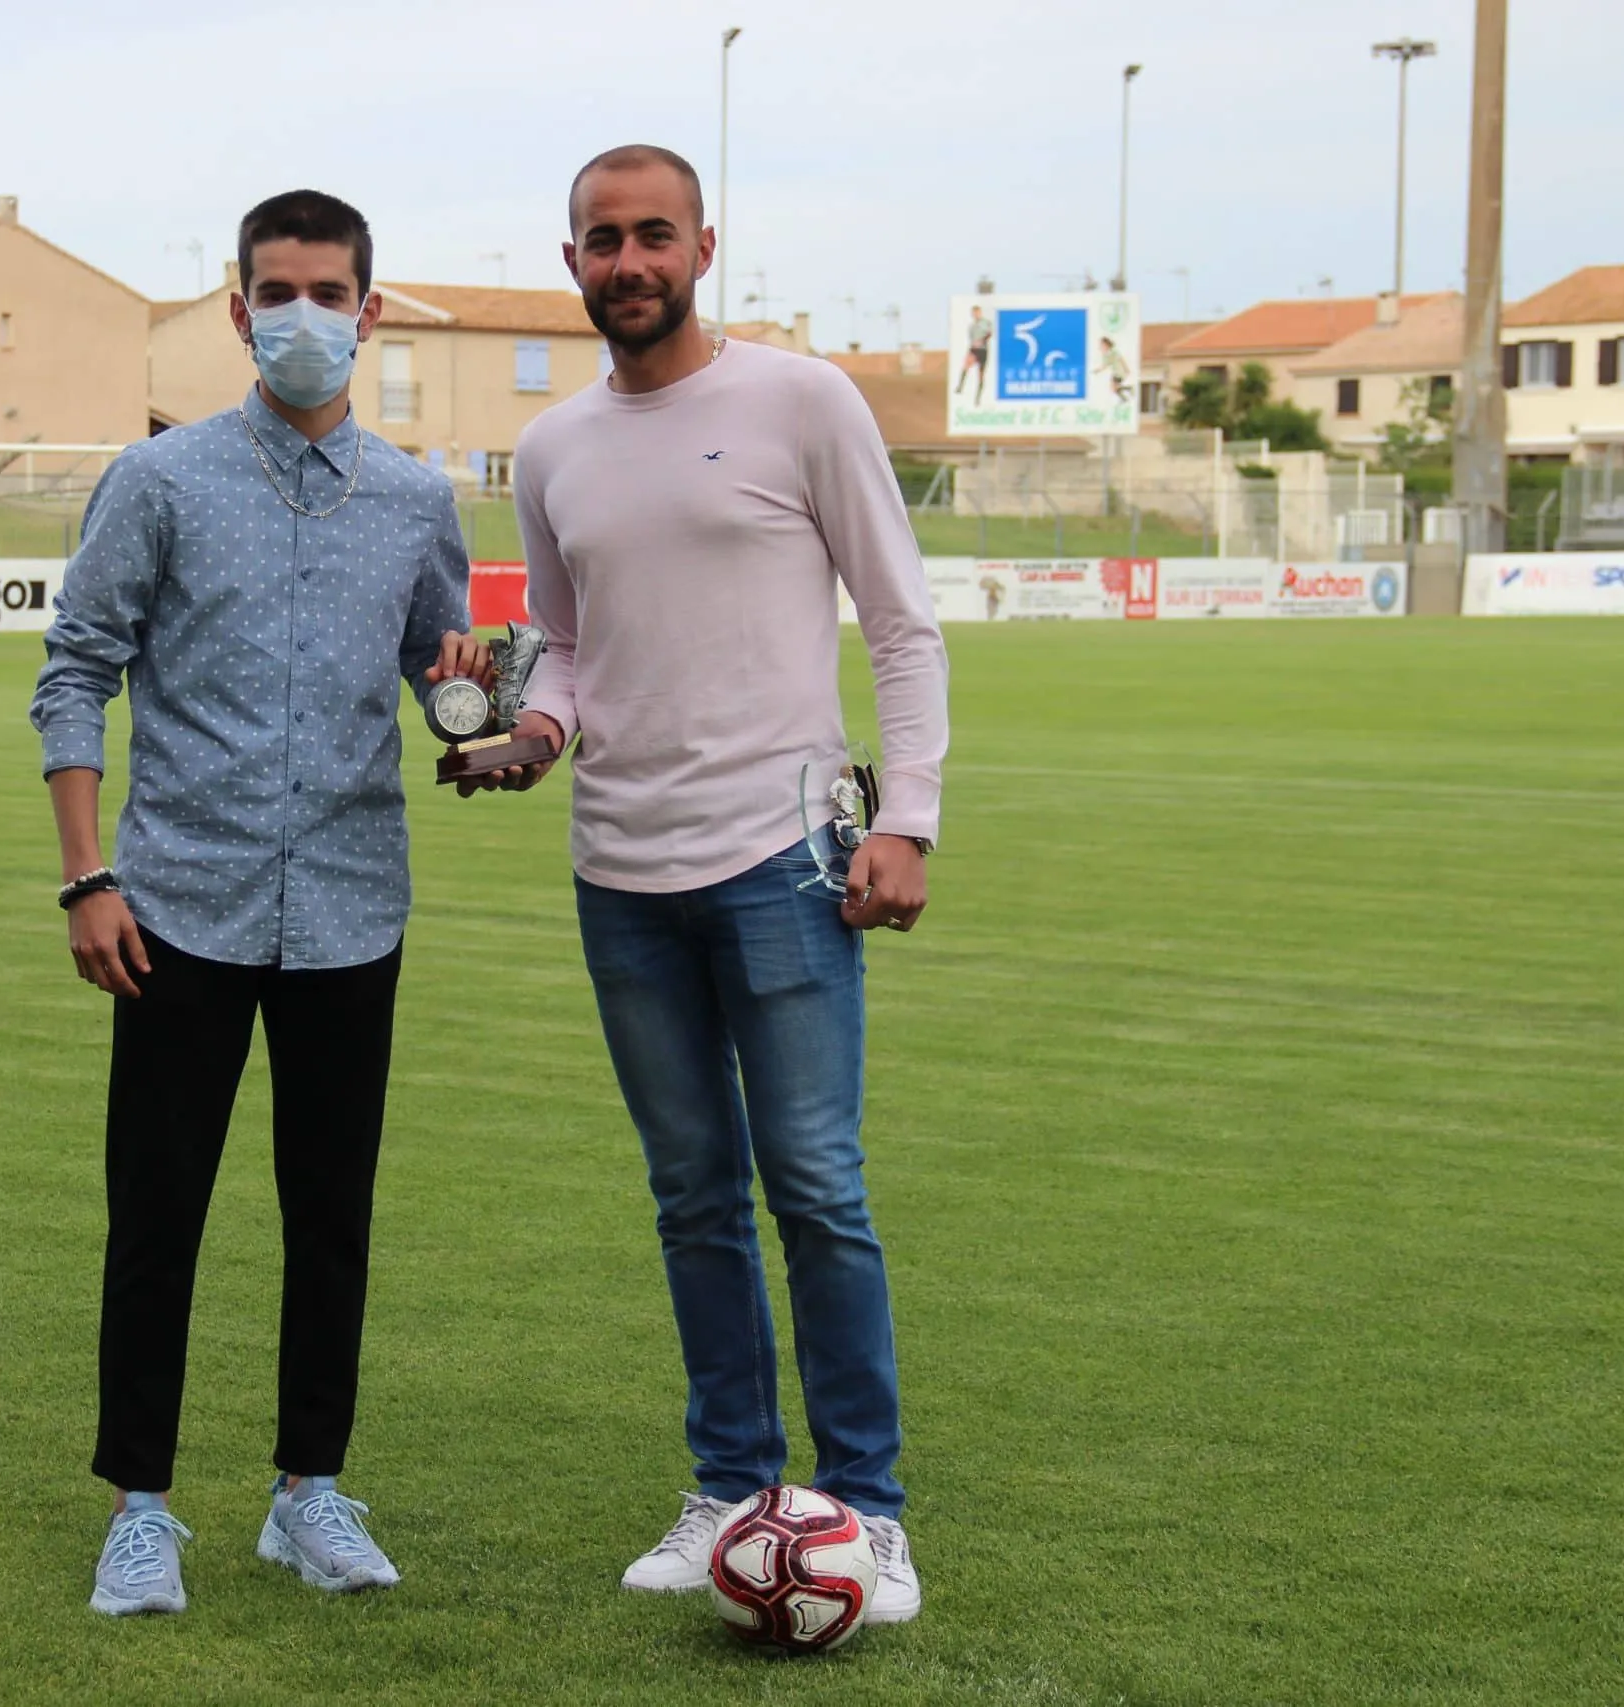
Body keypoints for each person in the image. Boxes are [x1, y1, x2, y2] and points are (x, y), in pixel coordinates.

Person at [464, 143, 948, 1626]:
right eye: (602, 240)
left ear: (703, 246)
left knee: (815, 1184)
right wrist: (532, 730)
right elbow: (560, 643)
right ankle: (731, 1486)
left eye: (652, 234)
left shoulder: (804, 401)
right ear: (573, 263)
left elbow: (903, 624)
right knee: (691, 1195)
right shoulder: (553, 450)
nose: (628, 261)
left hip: (786, 858)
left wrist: (909, 817)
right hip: (619, 869)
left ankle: (866, 1511)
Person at [31, 188, 490, 1618]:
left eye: (328, 290)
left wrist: (482, 718)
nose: (303, 315)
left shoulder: (417, 499)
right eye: (275, 290)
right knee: (156, 1210)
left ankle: (309, 1492)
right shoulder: (157, 484)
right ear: (238, 308)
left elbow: (436, 667)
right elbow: (75, 667)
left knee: (331, 1211)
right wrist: (87, 872)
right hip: (178, 903)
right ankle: (141, 1507)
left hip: (355, 904)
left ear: (370, 304)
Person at [957, 305, 991, 400]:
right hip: (974, 349)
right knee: (966, 365)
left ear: (980, 313)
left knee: (980, 374)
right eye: (974, 313)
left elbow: (989, 334)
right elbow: (971, 338)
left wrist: (982, 341)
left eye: (977, 312)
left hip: (983, 350)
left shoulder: (985, 323)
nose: (975, 314)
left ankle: (978, 397)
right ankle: (960, 387)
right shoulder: (971, 326)